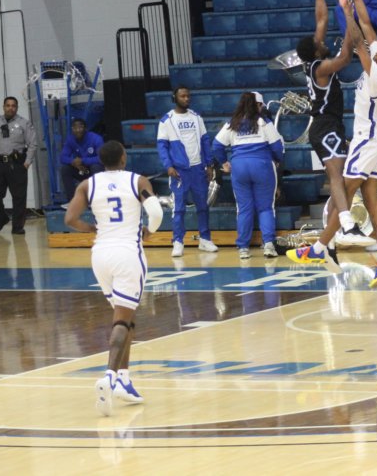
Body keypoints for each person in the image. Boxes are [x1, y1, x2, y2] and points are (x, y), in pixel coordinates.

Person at [288, 0, 377, 288]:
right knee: (371, 198)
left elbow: (358, 43)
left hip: (366, 141)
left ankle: (319, 247)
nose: (375, 52)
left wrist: (346, 12)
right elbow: (367, 26)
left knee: (347, 191)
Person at [64, 141, 163, 417]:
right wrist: (150, 231)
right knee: (121, 320)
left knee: (126, 318)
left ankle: (123, 380)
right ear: (123, 158)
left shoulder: (88, 184)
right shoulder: (137, 180)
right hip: (127, 254)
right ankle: (108, 377)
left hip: (100, 256)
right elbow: (156, 213)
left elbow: (70, 219)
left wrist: (90, 228)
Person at [296, 0, 374, 249]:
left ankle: (332, 236)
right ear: (316, 51)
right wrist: (349, 20)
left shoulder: (314, 57)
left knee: (339, 176)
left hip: (329, 125)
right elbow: (344, 58)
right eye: (320, 42)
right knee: (337, 175)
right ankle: (347, 225)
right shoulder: (320, 68)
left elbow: (320, 19)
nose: (323, 39)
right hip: (324, 125)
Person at [213, 92, 284, 259]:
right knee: (266, 207)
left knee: (244, 208)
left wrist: (224, 163)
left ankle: (243, 248)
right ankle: (268, 245)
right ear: (256, 105)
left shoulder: (233, 123)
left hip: (239, 167)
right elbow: (277, 146)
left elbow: (216, 145)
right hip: (262, 165)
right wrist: (277, 160)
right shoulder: (264, 122)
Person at [156, 86, 219, 257]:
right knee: (178, 209)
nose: (186, 99)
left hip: (198, 169)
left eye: (188, 96)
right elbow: (162, 146)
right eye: (182, 96)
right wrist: (168, 166)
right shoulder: (166, 120)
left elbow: (205, 141)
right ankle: (178, 242)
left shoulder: (196, 117)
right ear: (174, 98)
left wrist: (209, 164)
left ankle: (205, 239)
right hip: (179, 171)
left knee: (203, 206)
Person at [0, 96, 38, 235]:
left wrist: (27, 162)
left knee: (19, 197)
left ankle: (17, 226)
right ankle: (1, 219)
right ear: (3, 107)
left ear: (16, 108)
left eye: (13, 106)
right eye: (8, 105)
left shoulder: (24, 123)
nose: (10, 108)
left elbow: (32, 144)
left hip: (17, 163)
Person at [60, 118, 104, 202]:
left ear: (85, 128)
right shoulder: (70, 139)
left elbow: (102, 158)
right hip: (82, 170)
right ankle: (72, 201)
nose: (77, 130)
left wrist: (82, 161)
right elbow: (62, 157)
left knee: (96, 167)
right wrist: (73, 162)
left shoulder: (96, 138)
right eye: (75, 128)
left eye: (80, 127)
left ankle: (96, 200)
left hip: (96, 171)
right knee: (65, 169)